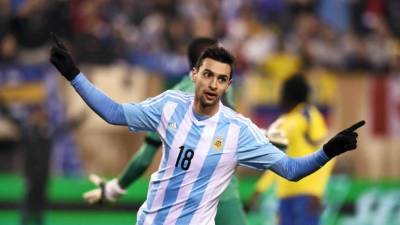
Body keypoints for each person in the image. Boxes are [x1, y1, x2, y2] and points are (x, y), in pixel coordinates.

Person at [49, 33, 364, 225]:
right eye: (208, 75)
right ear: (194, 74)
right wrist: (74, 74)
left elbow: (291, 169)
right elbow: (114, 113)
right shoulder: (170, 105)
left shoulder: (237, 131)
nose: (214, 84)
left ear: (229, 85)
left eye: (222, 79)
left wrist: (327, 151)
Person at [83, 37, 248, 225]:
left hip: (179, 204)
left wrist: (115, 188)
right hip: (222, 195)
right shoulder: (222, 88)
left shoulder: (172, 100)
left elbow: (146, 155)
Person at [246, 74, 334, 225]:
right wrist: (258, 192)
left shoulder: (309, 116)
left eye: (282, 93)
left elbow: (327, 154)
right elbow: (275, 161)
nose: (279, 98)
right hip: (285, 196)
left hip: (307, 196)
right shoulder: (284, 121)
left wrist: (316, 191)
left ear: (290, 96)